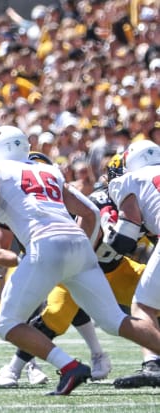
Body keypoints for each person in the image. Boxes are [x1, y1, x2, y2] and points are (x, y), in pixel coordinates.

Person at [0, 125, 160, 396]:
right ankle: (68, 365)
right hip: (78, 244)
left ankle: (69, 366)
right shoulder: (47, 170)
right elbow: (90, 214)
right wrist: (81, 249)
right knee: (114, 320)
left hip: (44, 244)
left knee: (7, 324)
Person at [107, 140, 160, 389]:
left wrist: (109, 239)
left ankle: (153, 363)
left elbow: (126, 238)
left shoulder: (128, 180)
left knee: (142, 306)